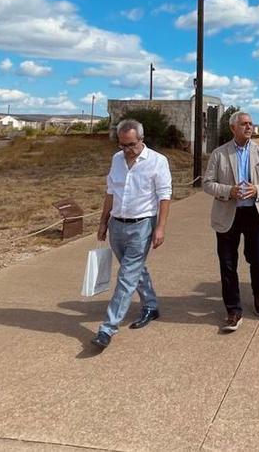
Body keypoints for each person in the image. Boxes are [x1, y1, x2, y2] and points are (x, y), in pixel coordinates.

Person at [91, 119, 172, 350]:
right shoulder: (116, 160)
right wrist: (103, 222)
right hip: (117, 224)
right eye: (122, 145)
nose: (126, 150)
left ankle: (107, 328)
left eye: (131, 145)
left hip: (142, 225)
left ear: (142, 140)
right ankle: (151, 305)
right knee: (134, 269)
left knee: (126, 276)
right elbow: (110, 191)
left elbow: (164, 196)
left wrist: (160, 227)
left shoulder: (157, 161)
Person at [203, 111, 259, 333]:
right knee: (227, 264)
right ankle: (233, 309)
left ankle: (258, 293)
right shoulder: (219, 154)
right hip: (228, 215)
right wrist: (229, 191)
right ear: (233, 128)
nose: (249, 127)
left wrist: (257, 189)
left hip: (256, 213)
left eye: (251, 124)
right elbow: (207, 184)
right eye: (244, 124)